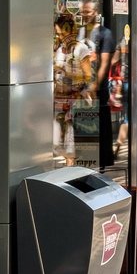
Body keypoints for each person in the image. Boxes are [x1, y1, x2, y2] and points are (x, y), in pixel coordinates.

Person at [80, 0, 116, 169]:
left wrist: (94, 87)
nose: (85, 15)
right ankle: (83, 165)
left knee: (99, 130)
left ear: (96, 12)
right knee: (82, 131)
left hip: (97, 92)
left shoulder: (105, 34)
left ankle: (100, 167)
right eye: (82, 13)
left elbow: (104, 64)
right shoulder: (80, 32)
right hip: (78, 90)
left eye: (88, 12)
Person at [52, 14, 91, 164]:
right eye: (57, 33)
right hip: (59, 100)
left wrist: (66, 72)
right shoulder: (60, 49)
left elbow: (87, 76)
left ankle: (70, 172)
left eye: (62, 33)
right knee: (57, 143)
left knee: (69, 145)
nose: (59, 36)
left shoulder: (81, 49)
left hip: (73, 101)